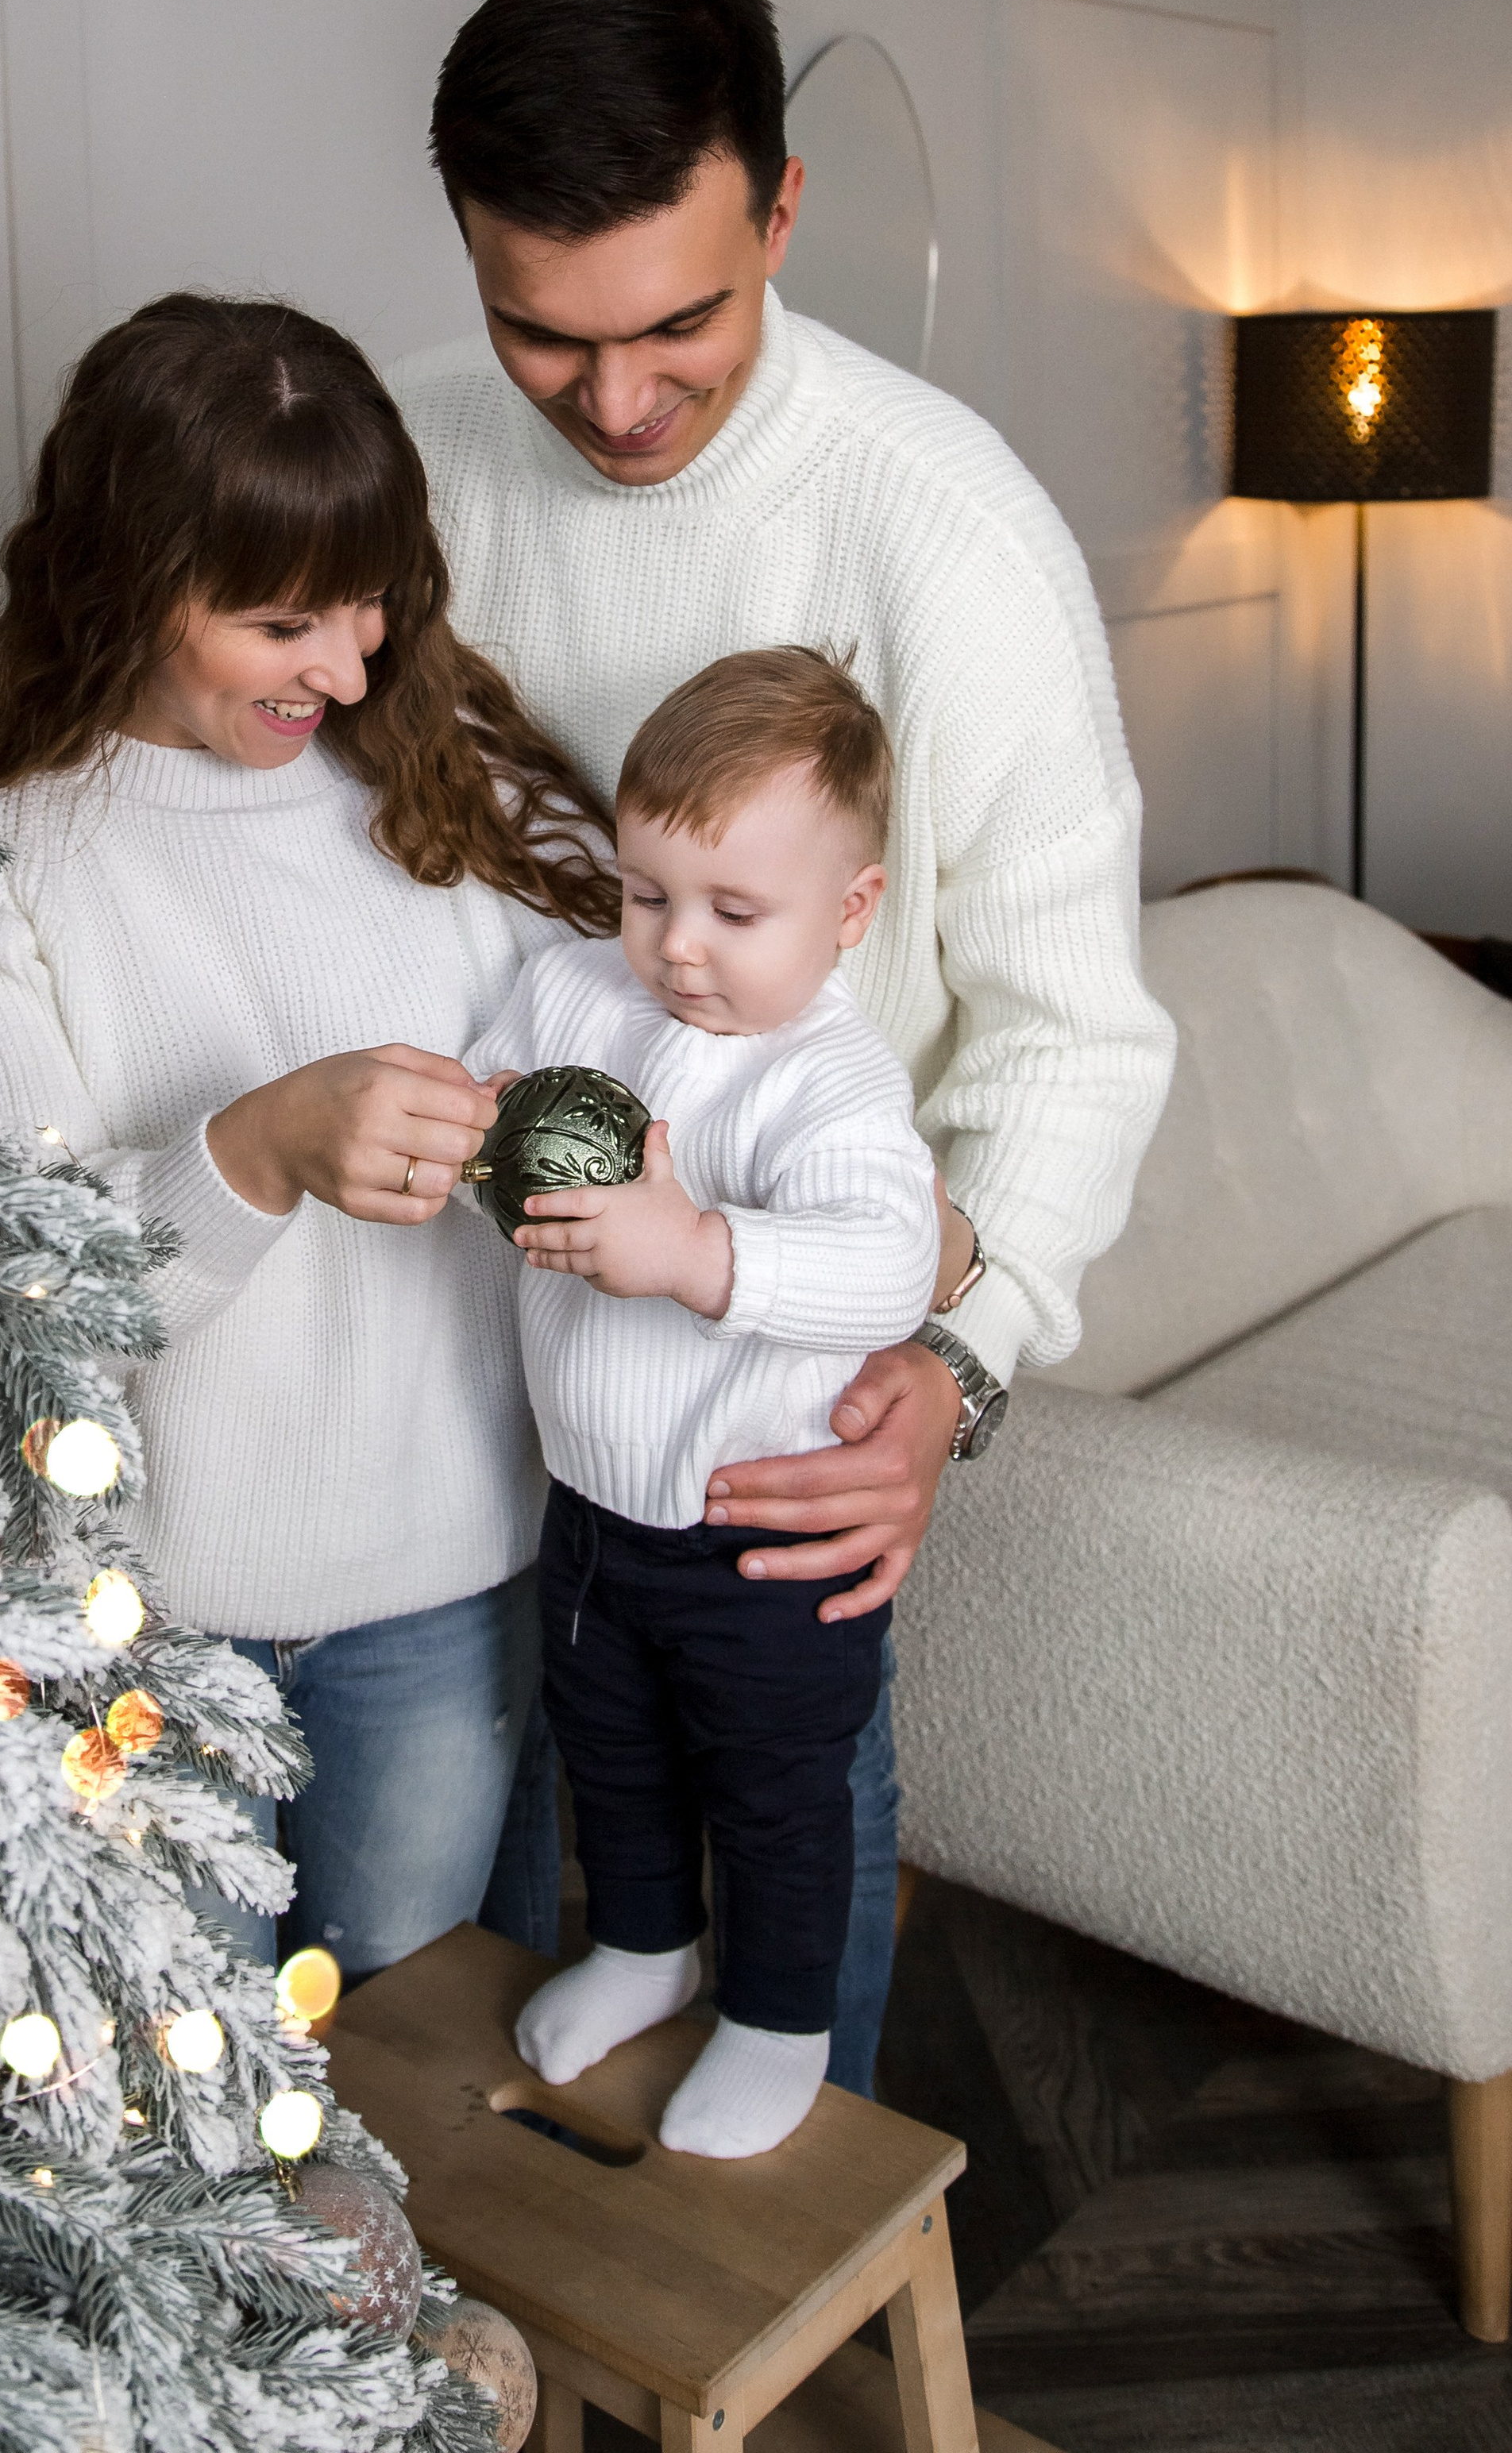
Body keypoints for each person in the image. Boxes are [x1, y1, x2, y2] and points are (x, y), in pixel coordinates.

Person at [392, 0, 1178, 2092]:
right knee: (504, 1928)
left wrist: (955, 1365)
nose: (616, 403)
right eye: (541, 334)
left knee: (781, 1835)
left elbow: (1072, 1036)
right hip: (471, 1378)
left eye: (678, 325)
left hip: (781, 1391)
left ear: (784, 210)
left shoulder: (948, 533)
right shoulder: (413, 468)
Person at [0, 292, 622, 1982]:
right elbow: (25, 1314)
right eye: (282, 622)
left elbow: (659, 1053)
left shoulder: (453, 781)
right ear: (136, 583)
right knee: (179, 2118)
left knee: (422, 2086)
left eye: (371, 602)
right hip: (135, 1633)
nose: (346, 668)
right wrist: (259, 1152)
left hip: (451, 1587)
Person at [468, 648, 938, 2157]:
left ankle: (780, 2021)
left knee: (776, 1795)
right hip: (593, 1510)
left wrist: (697, 1255)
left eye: (736, 913)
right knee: (609, 1752)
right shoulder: (573, 988)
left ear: (850, 911)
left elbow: (890, 1263)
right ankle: (642, 1946)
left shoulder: (831, 1083)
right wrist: (468, 1130)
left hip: (760, 1536)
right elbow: (492, 1098)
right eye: (646, 893)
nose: (677, 947)